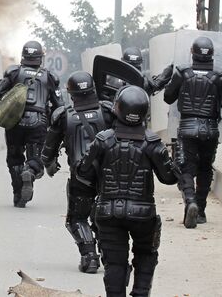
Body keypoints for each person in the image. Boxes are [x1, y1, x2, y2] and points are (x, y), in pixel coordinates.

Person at [76, 85, 179, 297]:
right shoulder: (152, 143)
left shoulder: (103, 140)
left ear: (118, 108)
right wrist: (177, 162)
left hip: (108, 212)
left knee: (114, 262)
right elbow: (168, 178)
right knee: (146, 255)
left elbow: (83, 173)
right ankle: (140, 293)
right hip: (143, 214)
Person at [42, 71, 115, 273]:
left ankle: (90, 257)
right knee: (109, 215)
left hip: (81, 176)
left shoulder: (63, 116)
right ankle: (111, 256)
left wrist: (49, 165)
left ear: (71, 92)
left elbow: (48, 149)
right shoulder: (109, 111)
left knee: (77, 218)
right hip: (109, 174)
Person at [163, 36, 222, 228]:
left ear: (192, 53)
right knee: (205, 168)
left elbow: (168, 98)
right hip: (210, 129)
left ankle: (190, 201)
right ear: (211, 54)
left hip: (187, 127)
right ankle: (200, 211)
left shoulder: (182, 73)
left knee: (185, 168)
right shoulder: (219, 76)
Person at [0, 40, 64, 207]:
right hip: (38, 122)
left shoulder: (14, 72)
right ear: (40, 58)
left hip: (14, 122)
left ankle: (18, 195)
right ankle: (29, 172)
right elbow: (60, 107)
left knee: (14, 158)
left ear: (23, 55)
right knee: (36, 158)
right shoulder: (50, 77)